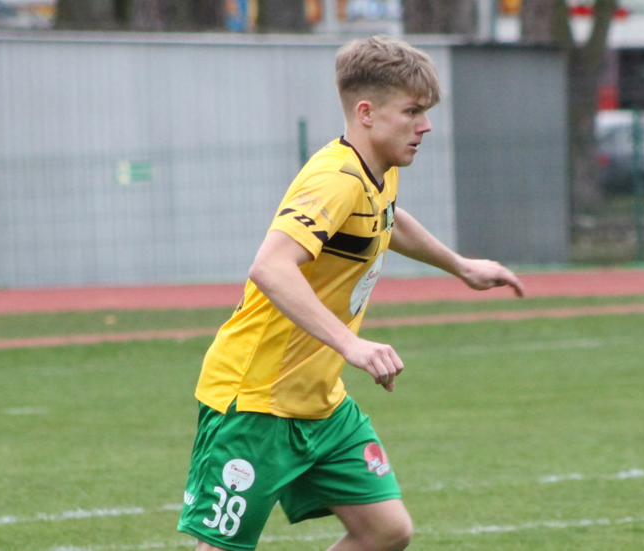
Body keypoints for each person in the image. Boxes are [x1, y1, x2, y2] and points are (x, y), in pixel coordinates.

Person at [177, 35, 525, 551]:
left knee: (386, 532)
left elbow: (387, 220)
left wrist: (460, 266)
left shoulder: (376, 173)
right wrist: (351, 344)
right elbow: (271, 267)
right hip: (254, 400)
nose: (425, 126)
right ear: (366, 112)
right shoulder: (334, 180)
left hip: (320, 402)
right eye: (412, 112)